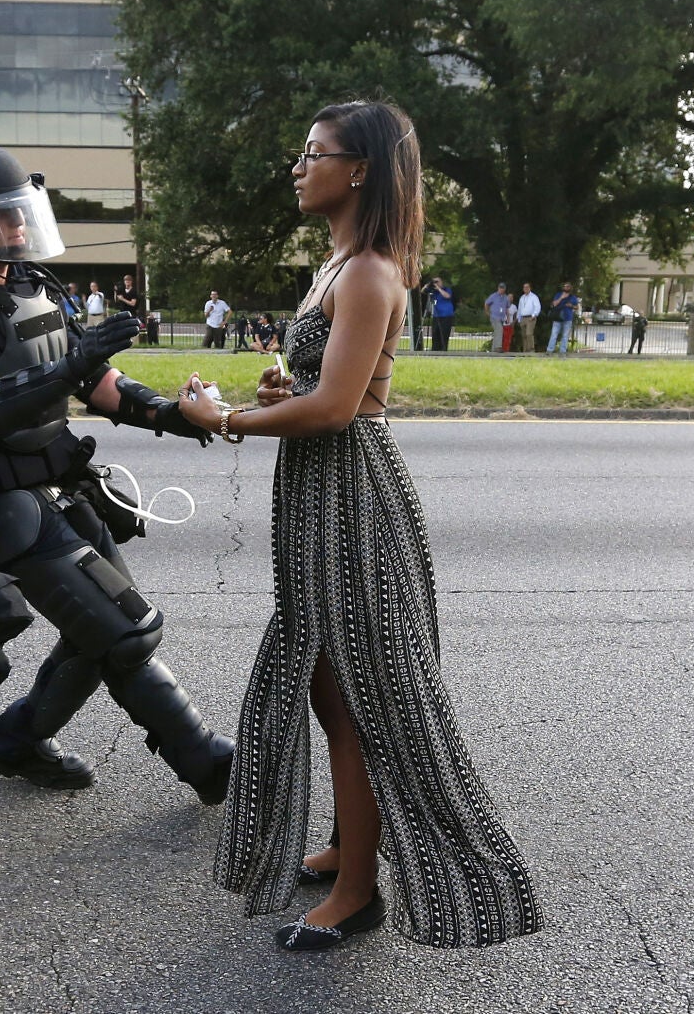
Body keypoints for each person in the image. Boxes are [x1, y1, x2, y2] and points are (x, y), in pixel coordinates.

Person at [179, 100, 542, 953]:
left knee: (360, 697)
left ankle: (358, 890)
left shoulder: (372, 270)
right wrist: (281, 392)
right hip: (320, 494)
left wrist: (224, 416)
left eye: (315, 153)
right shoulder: (336, 264)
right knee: (324, 680)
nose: (300, 167)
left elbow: (340, 408)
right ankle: (349, 843)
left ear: (362, 169)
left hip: (353, 498)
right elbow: (320, 390)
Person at [0, 141, 234, 801]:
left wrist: (171, 414)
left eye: (23, 213)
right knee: (127, 629)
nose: (18, 227)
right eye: (2, 216)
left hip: (62, 482)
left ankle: (18, 741)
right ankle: (207, 761)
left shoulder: (30, 284)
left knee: (98, 631)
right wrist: (70, 368)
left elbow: (95, 378)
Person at [545, 282, 579, 355]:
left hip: (568, 318)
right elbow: (554, 304)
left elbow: (577, 307)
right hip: (557, 318)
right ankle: (550, 350)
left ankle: (562, 351)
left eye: (568, 286)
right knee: (554, 334)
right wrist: (561, 298)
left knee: (565, 335)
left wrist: (571, 306)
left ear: (570, 288)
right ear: (563, 287)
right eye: (565, 286)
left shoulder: (573, 297)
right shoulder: (558, 295)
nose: (566, 287)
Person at [427, 275, 455, 351]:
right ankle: (435, 350)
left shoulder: (446, 289)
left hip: (446, 315)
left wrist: (439, 288)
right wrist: (429, 285)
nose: (436, 283)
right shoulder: (433, 292)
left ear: (441, 282)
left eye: (437, 281)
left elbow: (447, 296)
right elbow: (422, 291)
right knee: (435, 334)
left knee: (444, 334)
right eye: (434, 281)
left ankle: (443, 350)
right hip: (436, 315)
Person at [484, 282, 510, 353]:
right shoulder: (493, 296)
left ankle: (493, 349)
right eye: (500, 288)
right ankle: (498, 347)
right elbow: (486, 303)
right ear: (498, 288)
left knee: (497, 332)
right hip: (494, 317)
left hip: (501, 318)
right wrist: (487, 312)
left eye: (503, 288)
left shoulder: (506, 297)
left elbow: (507, 308)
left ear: (505, 289)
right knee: (499, 329)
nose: (501, 289)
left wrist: (508, 317)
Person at [515, 281, 540, 352]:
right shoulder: (522, 298)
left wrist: (534, 315)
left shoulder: (534, 297)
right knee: (523, 335)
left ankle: (531, 349)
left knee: (529, 333)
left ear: (530, 288)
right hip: (523, 318)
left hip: (530, 317)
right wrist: (518, 318)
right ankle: (525, 350)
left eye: (527, 287)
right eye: (524, 287)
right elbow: (519, 309)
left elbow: (537, 306)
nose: (525, 288)